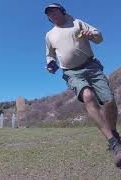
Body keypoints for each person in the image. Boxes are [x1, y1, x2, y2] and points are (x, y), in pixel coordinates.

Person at [44, 3, 121, 167]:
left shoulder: (77, 22)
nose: (52, 15)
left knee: (109, 101)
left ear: (62, 11)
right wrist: (50, 63)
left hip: (91, 65)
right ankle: (113, 143)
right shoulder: (49, 35)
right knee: (87, 95)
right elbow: (50, 55)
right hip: (71, 72)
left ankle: (113, 133)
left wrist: (90, 34)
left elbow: (99, 37)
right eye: (49, 14)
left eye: (54, 11)